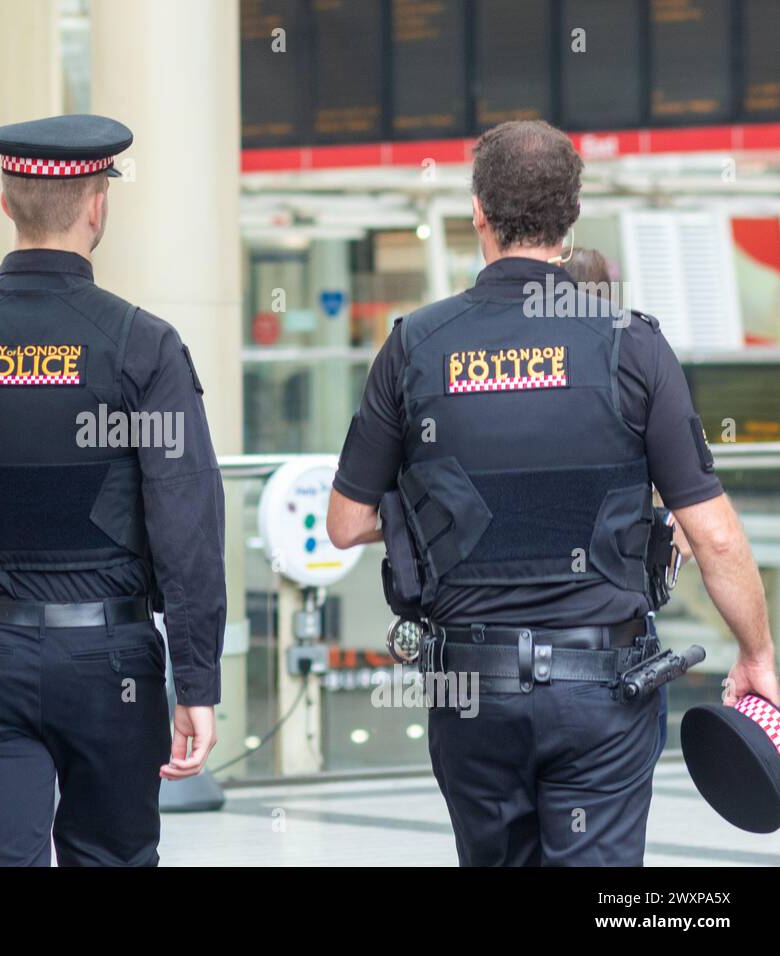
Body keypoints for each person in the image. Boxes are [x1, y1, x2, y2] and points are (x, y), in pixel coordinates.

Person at [326, 119, 776, 866]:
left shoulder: (415, 345)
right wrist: (757, 652)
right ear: (571, 218)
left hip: (472, 693)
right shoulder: (631, 342)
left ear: (476, 210)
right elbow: (716, 535)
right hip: (604, 691)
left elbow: (345, 524)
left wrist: (451, 512)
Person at [0, 114, 224, 866]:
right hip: (113, 664)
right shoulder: (145, 345)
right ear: (97, 205)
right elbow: (186, 521)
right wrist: (197, 678)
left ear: (7, 204)